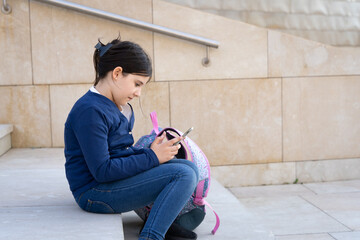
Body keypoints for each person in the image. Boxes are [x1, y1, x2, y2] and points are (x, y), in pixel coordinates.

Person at [64, 36, 199, 240]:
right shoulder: (90, 110)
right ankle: (151, 236)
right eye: (137, 84)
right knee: (183, 175)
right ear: (117, 73)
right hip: (93, 193)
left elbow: (120, 154)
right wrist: (152, 157)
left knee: (188, 168)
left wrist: (150, 152)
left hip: (109, 184)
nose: (138, 93)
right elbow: (102, 170)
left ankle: (162, 222)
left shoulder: (117, 106)